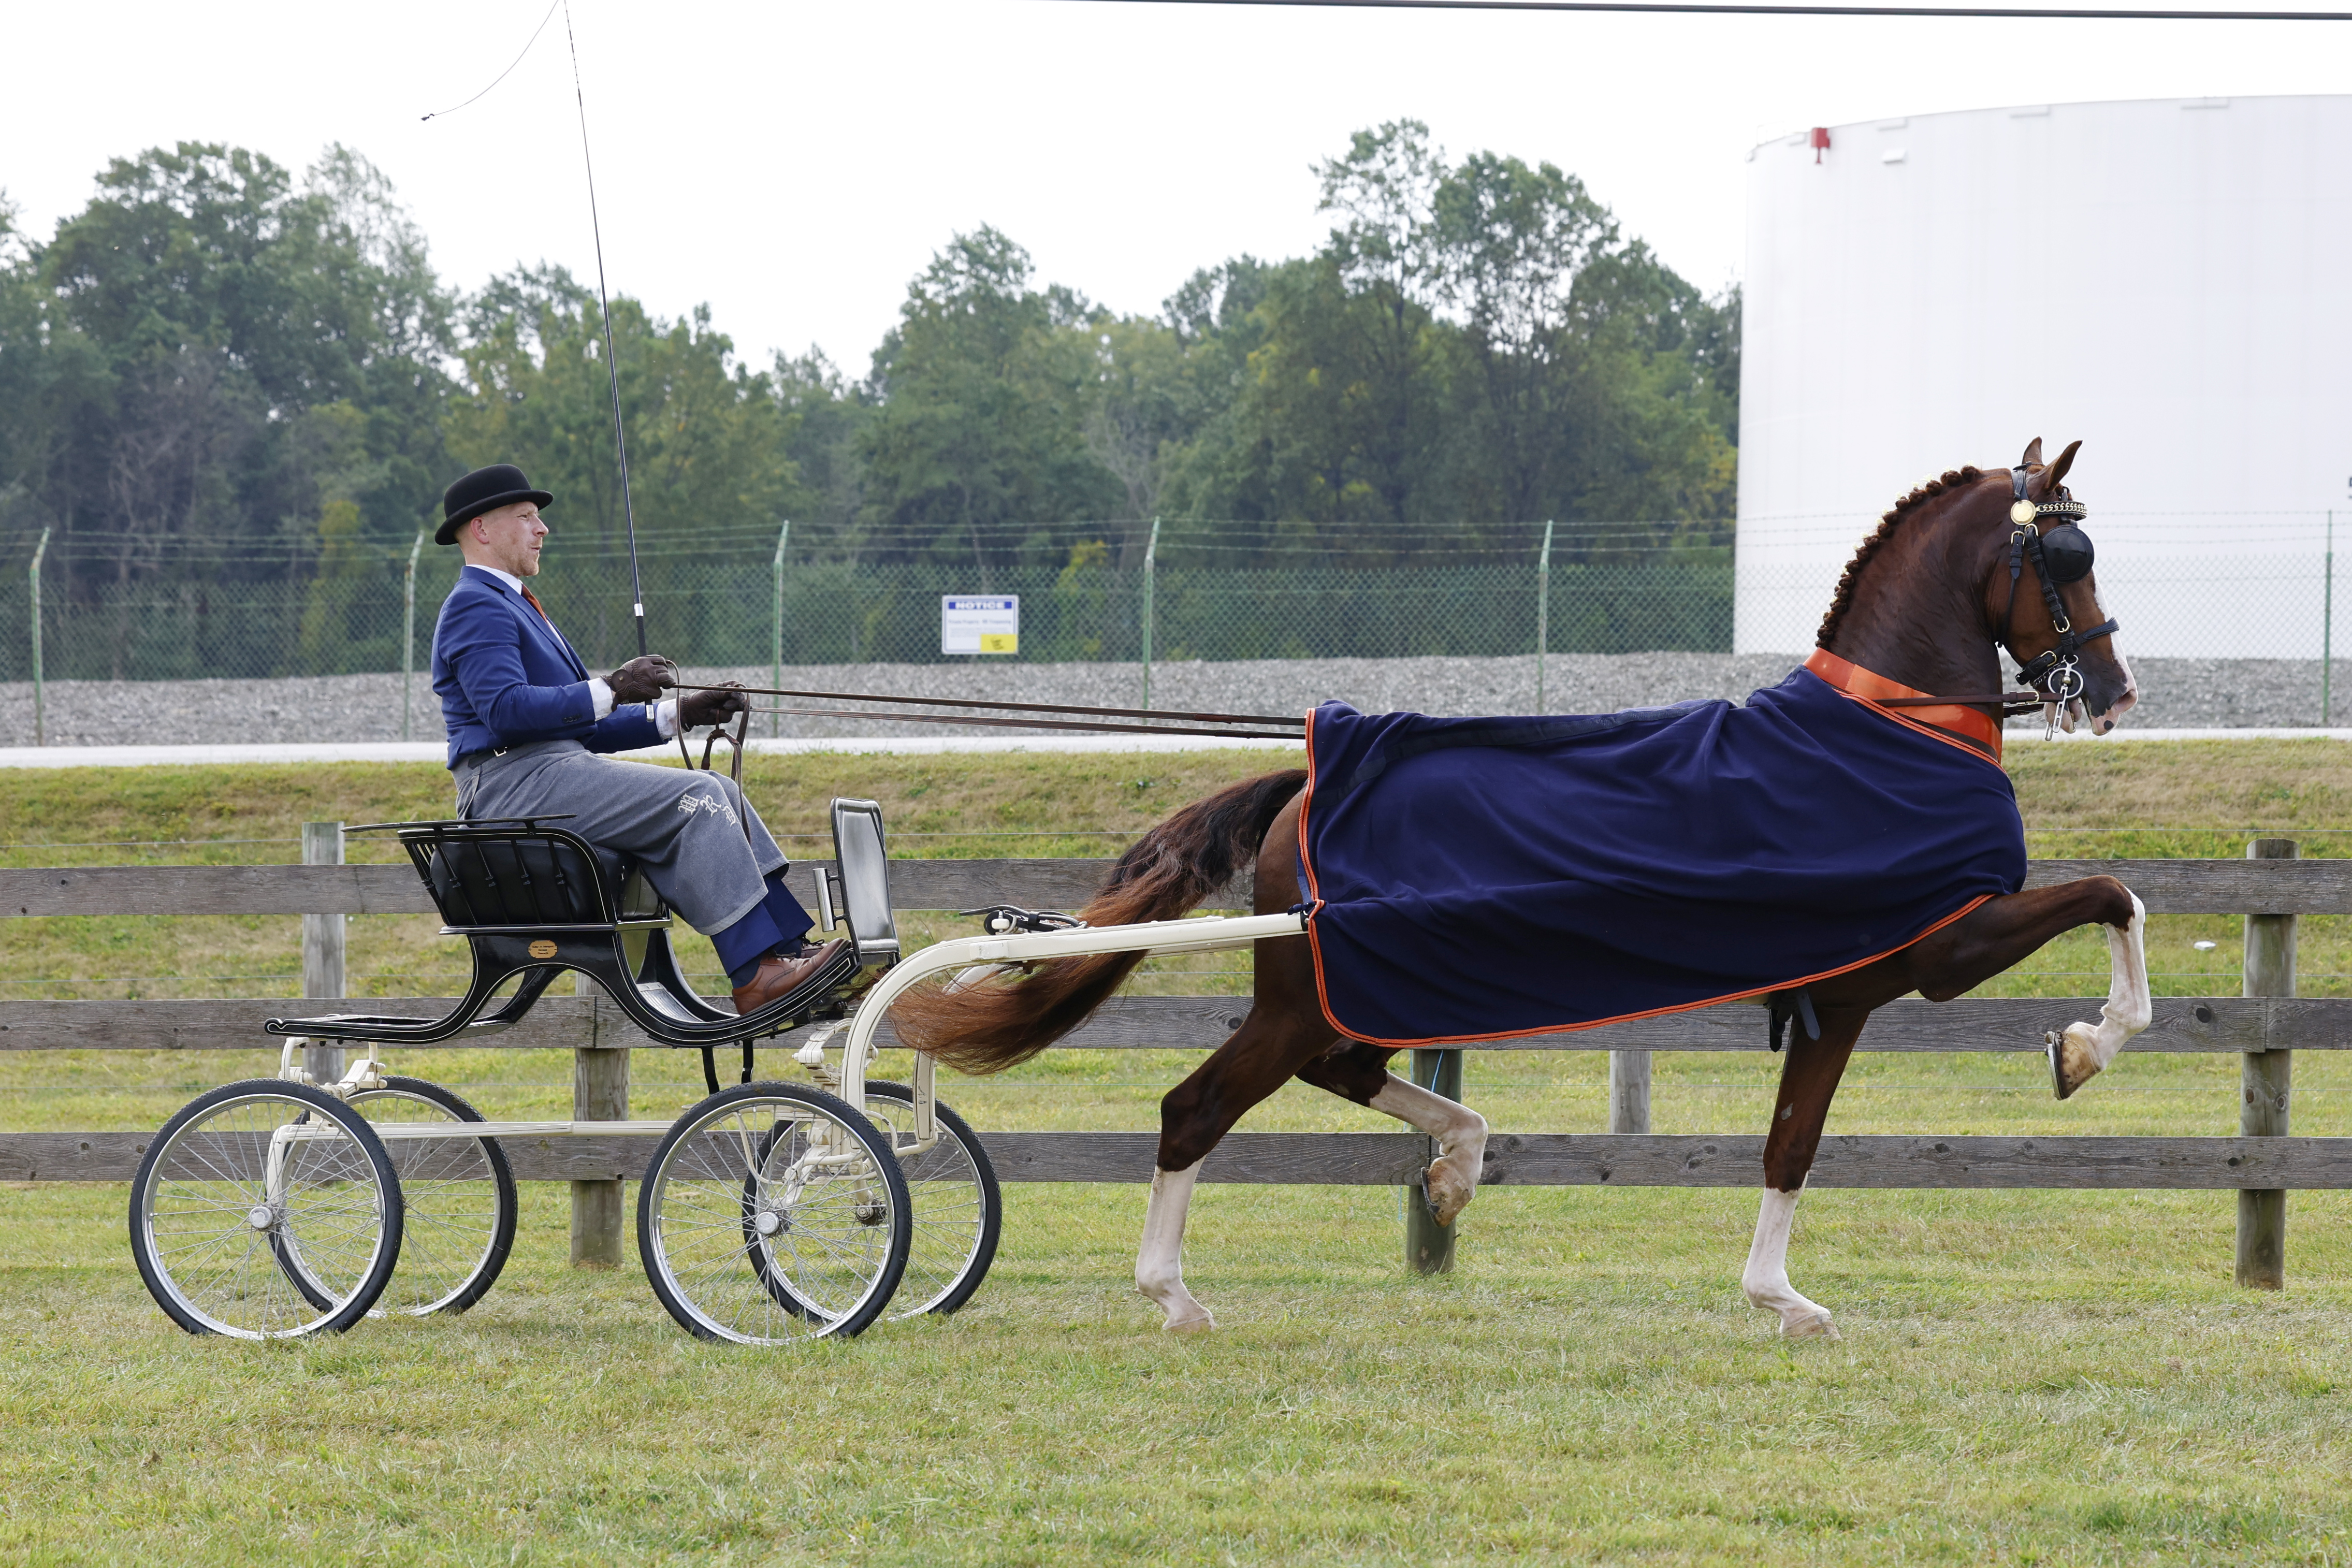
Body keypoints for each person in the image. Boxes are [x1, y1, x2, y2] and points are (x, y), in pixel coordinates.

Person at [429, 462, 845, 1013]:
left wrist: (680, 714)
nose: (543, 528)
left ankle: (788, 951)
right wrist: (613, 686)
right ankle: (754, 972)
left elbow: (580, 725)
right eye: (527, 517)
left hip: (551, 771)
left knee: (718, 789)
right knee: (693, 799)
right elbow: (506, 711)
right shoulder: (475, 603)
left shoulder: (517, 605)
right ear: (482, 529)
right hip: (510, 784)